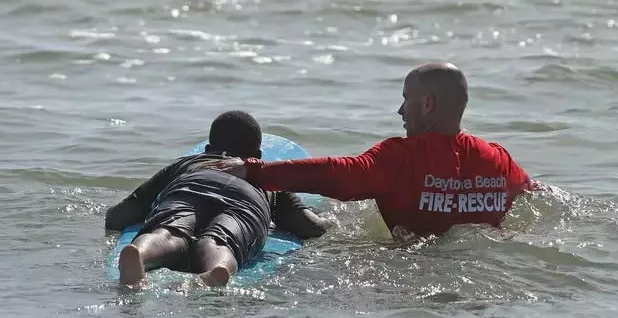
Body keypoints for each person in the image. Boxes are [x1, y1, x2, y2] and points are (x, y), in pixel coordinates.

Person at [209, 63, 536, 238]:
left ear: (427, 104)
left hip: (409, 269)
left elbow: (338, 174)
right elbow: (536, 195)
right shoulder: (499, 159)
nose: (400, 111)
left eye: (406, 99)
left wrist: (253, 169)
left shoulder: (399, 158)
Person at [105, 111, 331, 287]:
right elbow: (306, 226)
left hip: (191, 187)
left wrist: (112, 217)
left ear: (207, 149)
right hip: (246, 200)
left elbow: (127, 210)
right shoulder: (264, 175)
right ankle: (217, 268)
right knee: (220, 240)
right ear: (258, 157)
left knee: (167, 231)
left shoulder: (188, 163)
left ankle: (141, 254)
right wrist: (331, 220)